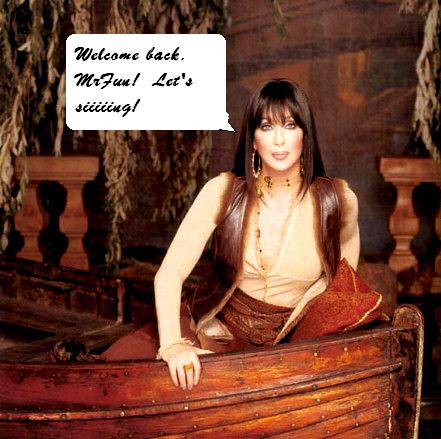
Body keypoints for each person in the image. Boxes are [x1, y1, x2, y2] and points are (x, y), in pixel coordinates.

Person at [103, 79, 359, 392]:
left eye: (290, 125)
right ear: (254, 139)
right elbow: (170, 274)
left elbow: (344, 288)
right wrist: (172, 345)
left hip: (288, 344)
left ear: (305, 135)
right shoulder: (222, 192)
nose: (279, 140)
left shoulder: (338, 201)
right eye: (266, 126)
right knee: (115, 376)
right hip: (214, 329)